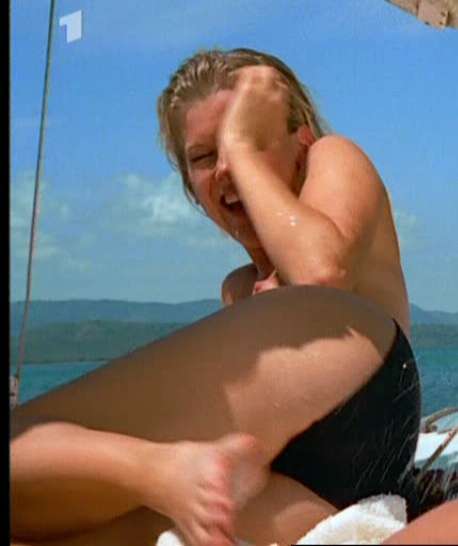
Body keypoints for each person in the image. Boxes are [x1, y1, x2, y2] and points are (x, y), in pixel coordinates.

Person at [11, 48, 421, 546]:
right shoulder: (239, 289)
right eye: (204, 158)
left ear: (302, 139)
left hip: (368, 379)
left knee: (21, 439)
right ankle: (161, 475)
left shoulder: (333, 156)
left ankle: (157, 469)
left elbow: (321, 274)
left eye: (245, 138)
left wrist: (240, 149)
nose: (226, 168)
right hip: (328, 489)